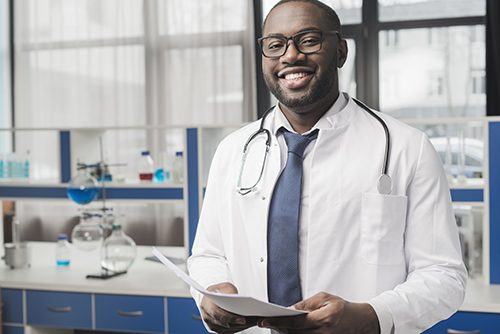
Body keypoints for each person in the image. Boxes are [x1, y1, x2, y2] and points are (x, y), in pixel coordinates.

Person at [187, 0, 467, 333]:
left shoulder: (408, 148)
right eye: (275, 46)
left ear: (340, 52)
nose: (290, 56)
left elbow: (444, 276)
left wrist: (371, 316)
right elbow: (207, 254)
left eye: (308, 40)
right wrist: (211, 291)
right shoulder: (233, 150)